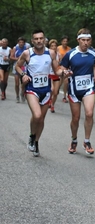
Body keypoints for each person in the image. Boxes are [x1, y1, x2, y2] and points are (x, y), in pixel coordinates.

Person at [15, 29, 71, 157]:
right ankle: (31, 136)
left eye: (41, 38)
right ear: (32, 41)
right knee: (37, 115)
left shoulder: (51, 53)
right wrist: (23, 74)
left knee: (41, 119)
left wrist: (63, 72)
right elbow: (18, 66)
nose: (39, 41)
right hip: (32, 89)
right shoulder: (27, 53)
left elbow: (56, 70)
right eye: (36, 38)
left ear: (44, 39)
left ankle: (36, 142)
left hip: (46, 90)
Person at [59, 28, 95, 155]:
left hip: (88, 88)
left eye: (88, 40)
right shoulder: (70, 54)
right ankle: (74, 140)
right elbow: (62, 67)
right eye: (83, 40)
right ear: (78, 40)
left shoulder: (93, 53)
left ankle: (87, 141)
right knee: (75, 118)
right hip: (74, 89)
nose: (86, 43)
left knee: (89, 114)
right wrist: (65, 72)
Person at [10, 37, 29, 103]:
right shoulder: (15, 48)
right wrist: (19, 59)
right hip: (16, 66)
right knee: (17, 83)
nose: (21, 43)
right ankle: (17, 96)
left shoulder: (26, 48)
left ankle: (22, 93)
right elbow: (11, 57)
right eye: (20, 42)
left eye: (22, 42)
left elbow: (28, 57)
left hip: (24, 67)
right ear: (18, 43)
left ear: (24, 43)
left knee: (24, 82)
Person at [48, 39, 61, 112]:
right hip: (49, 75)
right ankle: (49, 100)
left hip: (56, 75)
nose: (53, 47)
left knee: (55, 93)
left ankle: (52, 104)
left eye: (55, 46)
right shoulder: (47, 54)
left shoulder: (59, 55)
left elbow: (61, 65)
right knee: (52, 90)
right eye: (52, 46)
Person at [57, 35, 71, 103]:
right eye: (64, 41)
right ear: (61, 42)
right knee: (59, 82)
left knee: (66, 81)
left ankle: (64, 97)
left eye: (66, 41)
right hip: (59, 67)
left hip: (66, 67)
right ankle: (56, 91)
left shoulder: (69, 49)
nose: (65, 42)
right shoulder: (58, 48)